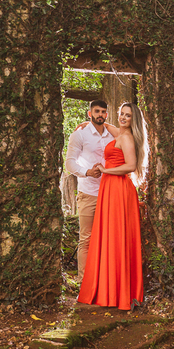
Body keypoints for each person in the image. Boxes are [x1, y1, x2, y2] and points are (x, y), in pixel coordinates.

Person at [77, 101, 145, 311]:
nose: (123, 118)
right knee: (111, 237)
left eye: (128, 116)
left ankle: (117, 293)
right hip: (111, 189)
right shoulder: (120, 132)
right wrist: (86, 123)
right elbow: (107, 126)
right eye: (121, 114)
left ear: (134, 120)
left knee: (116, 237)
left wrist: (106, 171)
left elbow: (131, 166)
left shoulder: (126, 137)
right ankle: (113, 290)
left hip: (118, 189)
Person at [64, 100, 111, 277]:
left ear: (107, 115)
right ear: (89, 114)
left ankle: (104, 282)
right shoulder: (80, 135)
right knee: (86, 239)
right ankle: (84, 282)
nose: (100, 114)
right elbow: (69, 163)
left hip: (110, 193)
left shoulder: (112, 135)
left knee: (108, 238)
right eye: (97, 111)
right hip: (88, 193)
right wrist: (87, 172)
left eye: (103, 112)